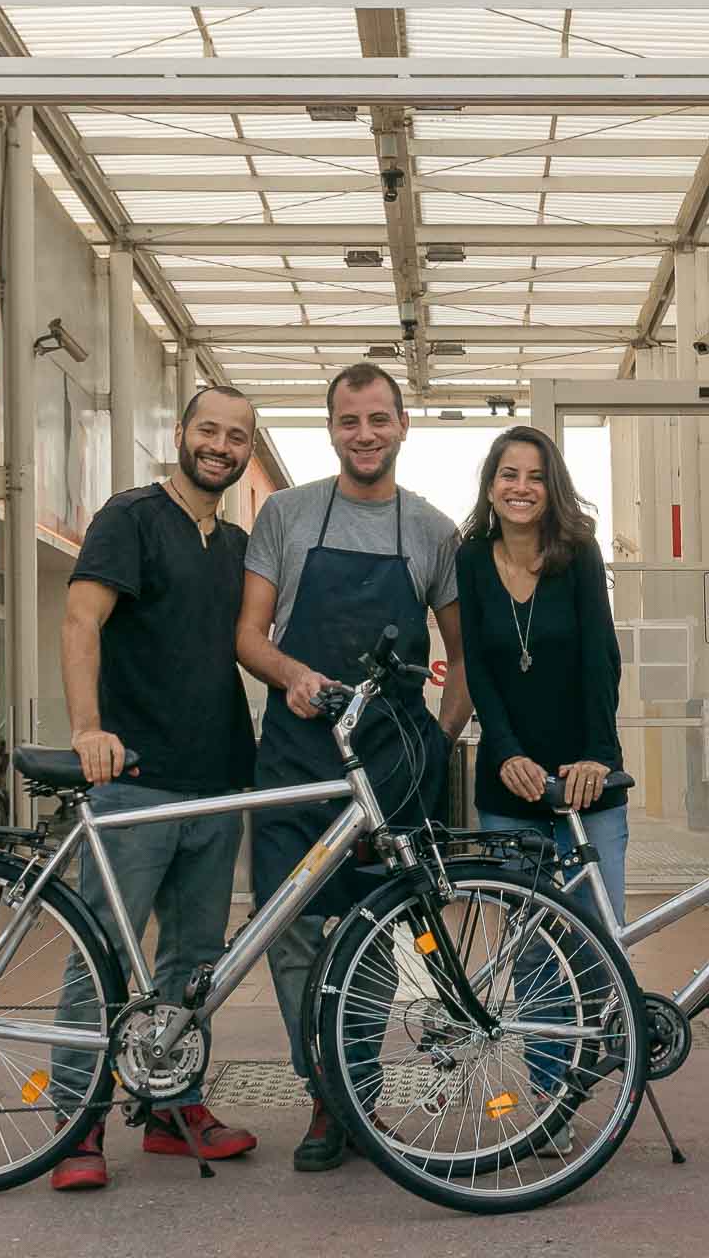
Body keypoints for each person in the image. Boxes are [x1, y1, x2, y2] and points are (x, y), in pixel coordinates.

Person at [235, 362, 471, 1173]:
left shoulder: (435, 530)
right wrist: (292, 676)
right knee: (292, 928)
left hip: (390, 765)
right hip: (298, 759)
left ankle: (349, 1097)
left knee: (371, 936)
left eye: (378, 419)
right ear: (330, 429)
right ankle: (324, 1084)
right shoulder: (287, 514)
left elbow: (463, 654)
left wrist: (436, 740)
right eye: (348, 421)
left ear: (403, 426)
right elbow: (250, 636)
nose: (364, 434)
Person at [47, 385, 262, 1191]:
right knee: (100, 958)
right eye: (208, 429)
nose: (220, 444)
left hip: (217, 785)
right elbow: (80, 620)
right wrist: (87, 728)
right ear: (180, 434)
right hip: (134, 781)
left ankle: (175, 1107)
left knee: (194, 962)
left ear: (246, 452)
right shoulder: (131, 517)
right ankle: (76, 1128)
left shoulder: (237, 545)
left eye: (236, 436)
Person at [455, 425, 628, 1152]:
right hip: (510, 783)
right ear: (491, 484)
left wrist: (595, 754)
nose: (519, 487)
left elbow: (601, 657)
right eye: (507, 474)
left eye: (533, 475)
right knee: (529, 953)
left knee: (597, 939)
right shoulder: (468, 558)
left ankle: (602, 1069)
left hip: (589, 781)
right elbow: (479, 671)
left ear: (549, 487)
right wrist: (505, 754)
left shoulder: (578, 556)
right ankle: (553, 1102)